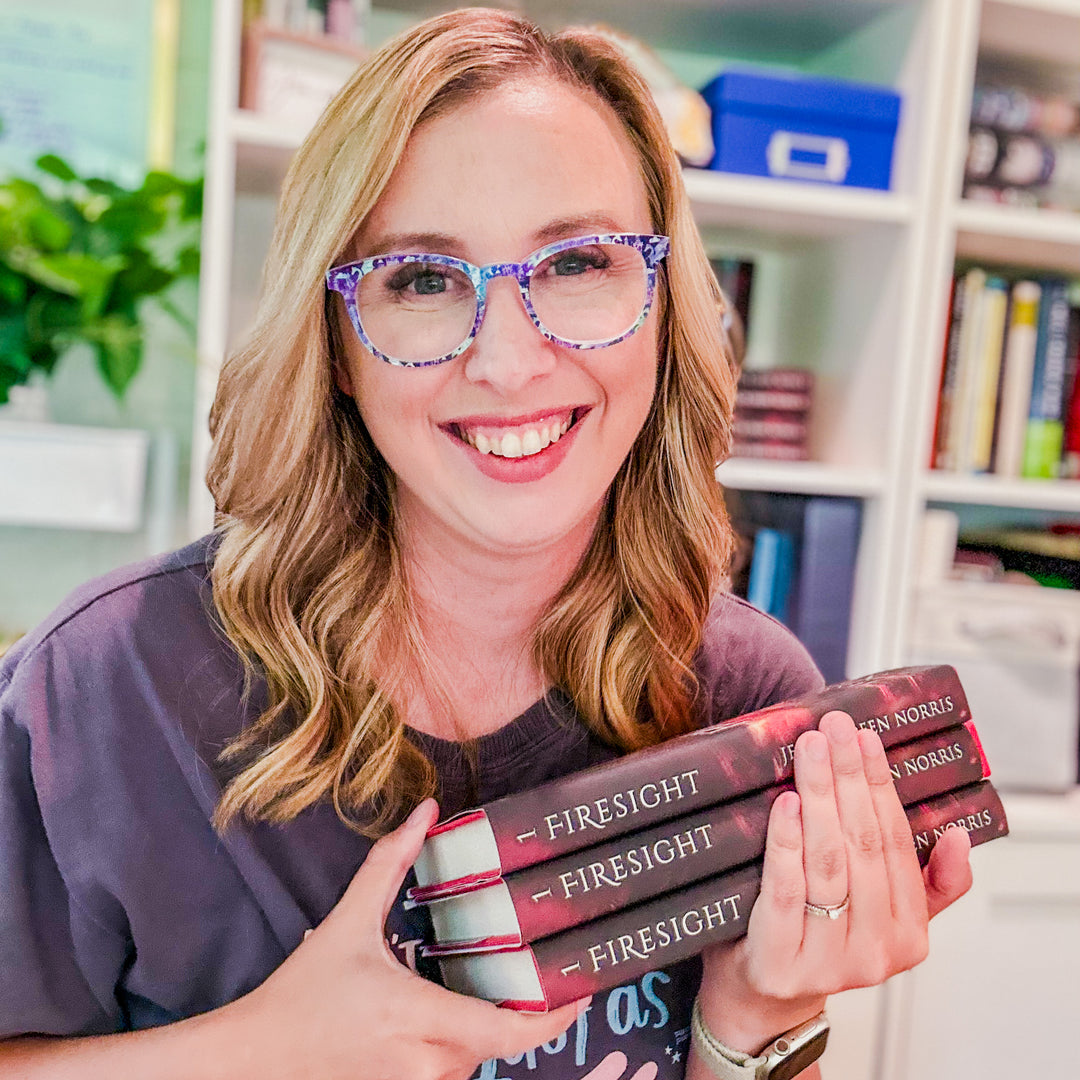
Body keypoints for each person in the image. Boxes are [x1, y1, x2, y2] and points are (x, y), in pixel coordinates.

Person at [0, 8, 973, 1079]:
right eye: (422, 278)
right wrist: (255, 1053)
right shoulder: (106, 685)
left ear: (662, 306)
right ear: (335, 341)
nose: (510, 360)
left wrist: (757, 1024)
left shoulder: (749, 696)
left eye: (578, 262)